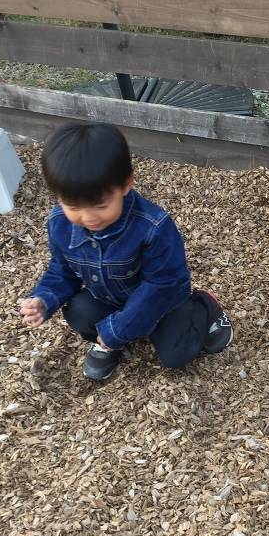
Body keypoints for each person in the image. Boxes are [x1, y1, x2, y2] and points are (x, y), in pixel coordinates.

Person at [19, 122, 233, 380]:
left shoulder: (153, 226)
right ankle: (109, 339)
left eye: (101, 205)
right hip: (108, 297)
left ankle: (204, 306)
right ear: (57, 196)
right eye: (73, 207)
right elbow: (62, 271)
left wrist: (118, 329)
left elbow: (162, 285)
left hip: (162, 302)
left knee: (176, 356)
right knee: (77, 311)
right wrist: (44, 299)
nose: (88, 217)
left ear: (126, 184)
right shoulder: (59, 223)